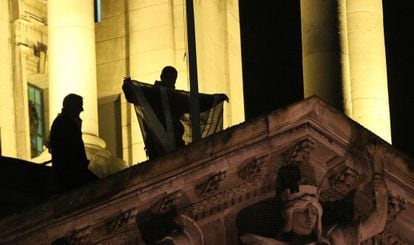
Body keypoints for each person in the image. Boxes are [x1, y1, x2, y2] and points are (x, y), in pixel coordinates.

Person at [241, 145, 388, 245]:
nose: (310, 217)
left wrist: (378, 171)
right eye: (303, 211)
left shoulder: (333, 239)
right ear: (289, 215)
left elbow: (376, 225)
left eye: (314, 212)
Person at [123, 66, 228, 159]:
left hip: (166, 144)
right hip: (159, 144)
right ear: (163, 77)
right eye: (170, 77)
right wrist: (128, 86)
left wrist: (215, 99)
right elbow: (195, 103)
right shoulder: (155, 94)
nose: (172, 81)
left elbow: (195, 103)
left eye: (172, 78)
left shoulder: (156, 94)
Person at [49, 94, 97, 191]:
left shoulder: (63, 122)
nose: (82, 109)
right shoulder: (64, 123)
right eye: (79, 106)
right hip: (70, 173)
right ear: (72, 106)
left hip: (71, 171)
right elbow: (72, 149)